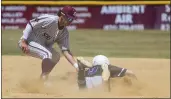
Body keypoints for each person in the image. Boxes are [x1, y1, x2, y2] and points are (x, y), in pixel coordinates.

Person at [18, 6, 79, 81]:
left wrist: (76, 66)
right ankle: (44, 79)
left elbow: (66, 51)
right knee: (47, 54)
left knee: (56, 56)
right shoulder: (50, 19)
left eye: (72, 19)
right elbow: (31, 24)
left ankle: (42, 79)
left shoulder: (64, 33)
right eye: (69, 18)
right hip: (28, 43)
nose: (70, 21)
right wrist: (23, 41)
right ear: (62, 16)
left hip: (41, 46)